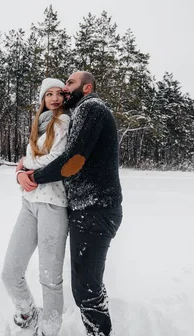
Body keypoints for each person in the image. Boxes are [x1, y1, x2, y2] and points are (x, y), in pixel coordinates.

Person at [17, 71, 123, 336]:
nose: (65, 88)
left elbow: (73, 162)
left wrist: (33, 177)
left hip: (96, 208)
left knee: (85, 286)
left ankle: (99, 333)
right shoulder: (80, 113)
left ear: (86, 88)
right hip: (86, 208)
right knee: (88, 283)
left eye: (70, 83)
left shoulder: (91, 108)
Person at [2, 78, 71, 336]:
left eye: (58, 94)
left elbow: (58, 159)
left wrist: (25, 167)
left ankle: (49, 331)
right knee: (10, 272)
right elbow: (25, 160)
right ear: (42, 100)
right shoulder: (39, 126)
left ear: (64, 98)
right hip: (28, 203)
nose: (53, 99)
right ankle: (28, 314)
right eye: (48, 95)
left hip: (52, 204)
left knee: (50, 279)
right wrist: (20, 172)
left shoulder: (64, 122)